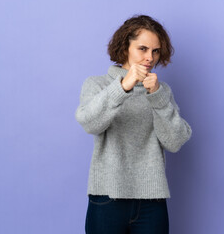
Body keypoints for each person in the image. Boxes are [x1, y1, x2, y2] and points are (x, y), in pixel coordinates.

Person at [75, 14, 192, 234]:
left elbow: (175, 141)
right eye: (143, 49)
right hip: (107, 197)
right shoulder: (97, 84)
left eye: (155, 51)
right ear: (124, 47)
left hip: (152, 201)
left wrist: (157, 96)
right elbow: (90, 123)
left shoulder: (161, 91)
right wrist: (123, 87)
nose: (150, 57)